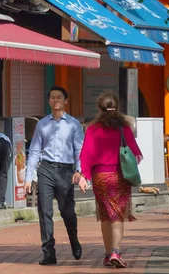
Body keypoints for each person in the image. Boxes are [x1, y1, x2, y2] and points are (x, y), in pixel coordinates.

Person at [79, 92, 143, 269]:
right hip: (120, 176)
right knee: (118, 216)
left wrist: (85, 175)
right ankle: (116, 251)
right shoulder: (125, 127)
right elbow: (135, 153)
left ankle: (108, 254)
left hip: (100, 177)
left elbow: (87, 154)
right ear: (117, 107)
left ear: (99, 108)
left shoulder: (93, 128)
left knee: (106, 216)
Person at [24, 86, 85, 266]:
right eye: (52, 97)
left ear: (66, 101)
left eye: (59, 97)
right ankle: (48, 252)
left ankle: (74, 240)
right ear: (49, 101)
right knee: (45, 211)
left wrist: (79, 170)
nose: (56, 100)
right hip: (46, 170)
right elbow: (34, 151)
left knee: (67, 212)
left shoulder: (74, 124)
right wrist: (28, 178)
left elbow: (79, 150)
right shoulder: (42, 124)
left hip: (66, 171)